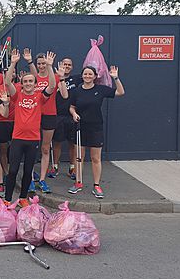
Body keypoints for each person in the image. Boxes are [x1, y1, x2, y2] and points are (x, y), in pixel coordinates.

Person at [4, 48, 57, 207]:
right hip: (18, 139)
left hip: (33, 139)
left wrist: (49, 66)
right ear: (22, 83)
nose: (27, 84)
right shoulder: (17, 95)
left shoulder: (40, 97)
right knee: (13, 171)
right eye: (25, 81)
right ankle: (7, 199)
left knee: (28, 171)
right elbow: (7, 82)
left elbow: (52, 85)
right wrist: (13, 63)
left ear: (35, 84)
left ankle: (22, 198)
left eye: (30, 81)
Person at [68, 65, 125, 198]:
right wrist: (74, 114)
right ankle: (78, 183)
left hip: (95, 128)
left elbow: (120, 92)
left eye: (90, 74)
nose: (87, 76)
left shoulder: (100, 89)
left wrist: (115, 78)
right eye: (85, 74)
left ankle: (96, 185)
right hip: (80, 127)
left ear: (95, 76)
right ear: (82, 76)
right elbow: (71, 107)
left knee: (95, 158)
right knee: (79, 158)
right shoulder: (76, 91)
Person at [28, 50, 68, 193]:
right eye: (39, 64)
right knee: (32, 148)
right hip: (34, 115)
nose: (41, 66)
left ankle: (43, 179)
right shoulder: (33, 78)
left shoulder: (55, 77)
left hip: (50, 115)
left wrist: (61, 78)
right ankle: (30, 179)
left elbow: (64, 95)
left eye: (44, 63)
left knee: (45, 148)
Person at [51, 57, 83, 179]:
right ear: (60, 65)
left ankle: (72, 168)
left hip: (72, 115)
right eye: (65, 64)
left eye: (69, 64)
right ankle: (55, 166)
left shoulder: (77, 79)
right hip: (58, 115)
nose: (67, 66)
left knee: (72, 143)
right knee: (57, 142)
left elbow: (94, 75)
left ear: (72, 67)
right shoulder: (55, 78)